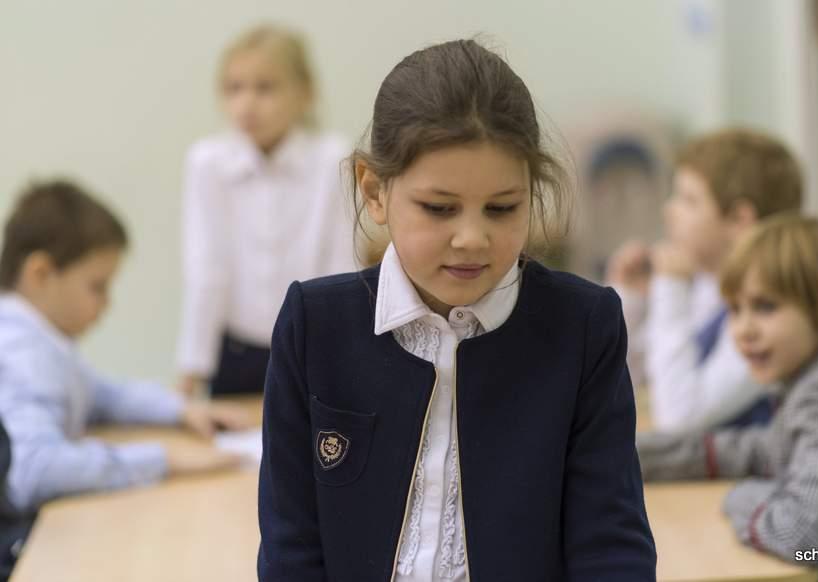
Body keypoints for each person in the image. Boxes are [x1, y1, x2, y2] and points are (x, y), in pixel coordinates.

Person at [257, 39, 656, 580]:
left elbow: (610, 545)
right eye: (440, 208)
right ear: (374, 191)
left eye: (502, 208)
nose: (472, 238)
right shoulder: (314, 325)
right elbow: (291, 549)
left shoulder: (584, 327)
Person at [638, 215, 818, 581]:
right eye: (734, 309)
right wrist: (636, 454)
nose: (743, 330)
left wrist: (740, 497)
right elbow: (762, 450)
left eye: (764, 307)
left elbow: (808, 539)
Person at [0, 180, 245, 519]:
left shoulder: (42, 342)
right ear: (40, 274)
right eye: (97, 286)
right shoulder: (21, 352)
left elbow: (104, 395)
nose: (107, 303)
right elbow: (34, 470)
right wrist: (164, 458)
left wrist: (180, 410)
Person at [177, 24, 356, 397]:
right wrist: (191, 368)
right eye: (234, 88)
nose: (247, 103)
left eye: (265, 88)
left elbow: (340, 263)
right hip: (236, 353)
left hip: (312, 348)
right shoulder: (207, 162)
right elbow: (206, 268)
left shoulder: (333, 160)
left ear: (305, 93)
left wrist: (343, 354)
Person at [608, 128, 803, 432]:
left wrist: (670, 291)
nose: (669, 210)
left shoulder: (768, 312)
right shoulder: (708, 287)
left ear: (739, 219)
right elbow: (622, 384)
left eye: (689, 200)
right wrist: (630, 300)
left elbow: (678, 418)